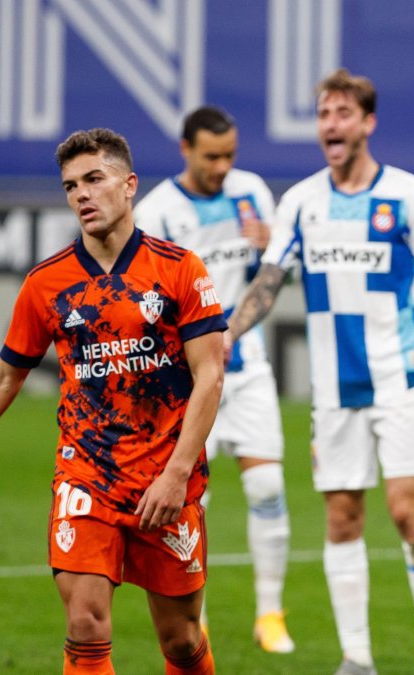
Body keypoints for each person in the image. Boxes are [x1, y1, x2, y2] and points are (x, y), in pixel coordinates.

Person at [0, 128, 226, 674]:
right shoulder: (47, 283)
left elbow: (209, 376)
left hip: (165, 479)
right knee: (85, 624)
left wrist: (176, 474)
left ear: (129, 184)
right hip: (86, 476)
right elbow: (4, 377)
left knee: (182, 640)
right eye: (71, 186)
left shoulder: (179, 269)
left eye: (94, 179)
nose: (82, 195)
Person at [225, 68, 414, 675]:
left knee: (406, 512)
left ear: (368, 123)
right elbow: (270, 280)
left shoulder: (409, 194)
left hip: (401, 377)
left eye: (342, 114)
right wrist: (226, 333)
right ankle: (356, 658)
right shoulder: (301, 201)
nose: (330, 125)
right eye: (323, 115)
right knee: (342, 518)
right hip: (336, 386)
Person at [133, 106, 294, 654]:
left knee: (267, 487)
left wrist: (269, 246)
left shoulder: (251, 192)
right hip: (184, 380)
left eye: (229, 155)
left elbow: (271, 276)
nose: (222, 167)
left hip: (246, 367)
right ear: (185, 149)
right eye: (211, 157)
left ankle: (270, 613)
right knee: (186, 501)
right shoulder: (157, 212)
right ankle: (193, 619)